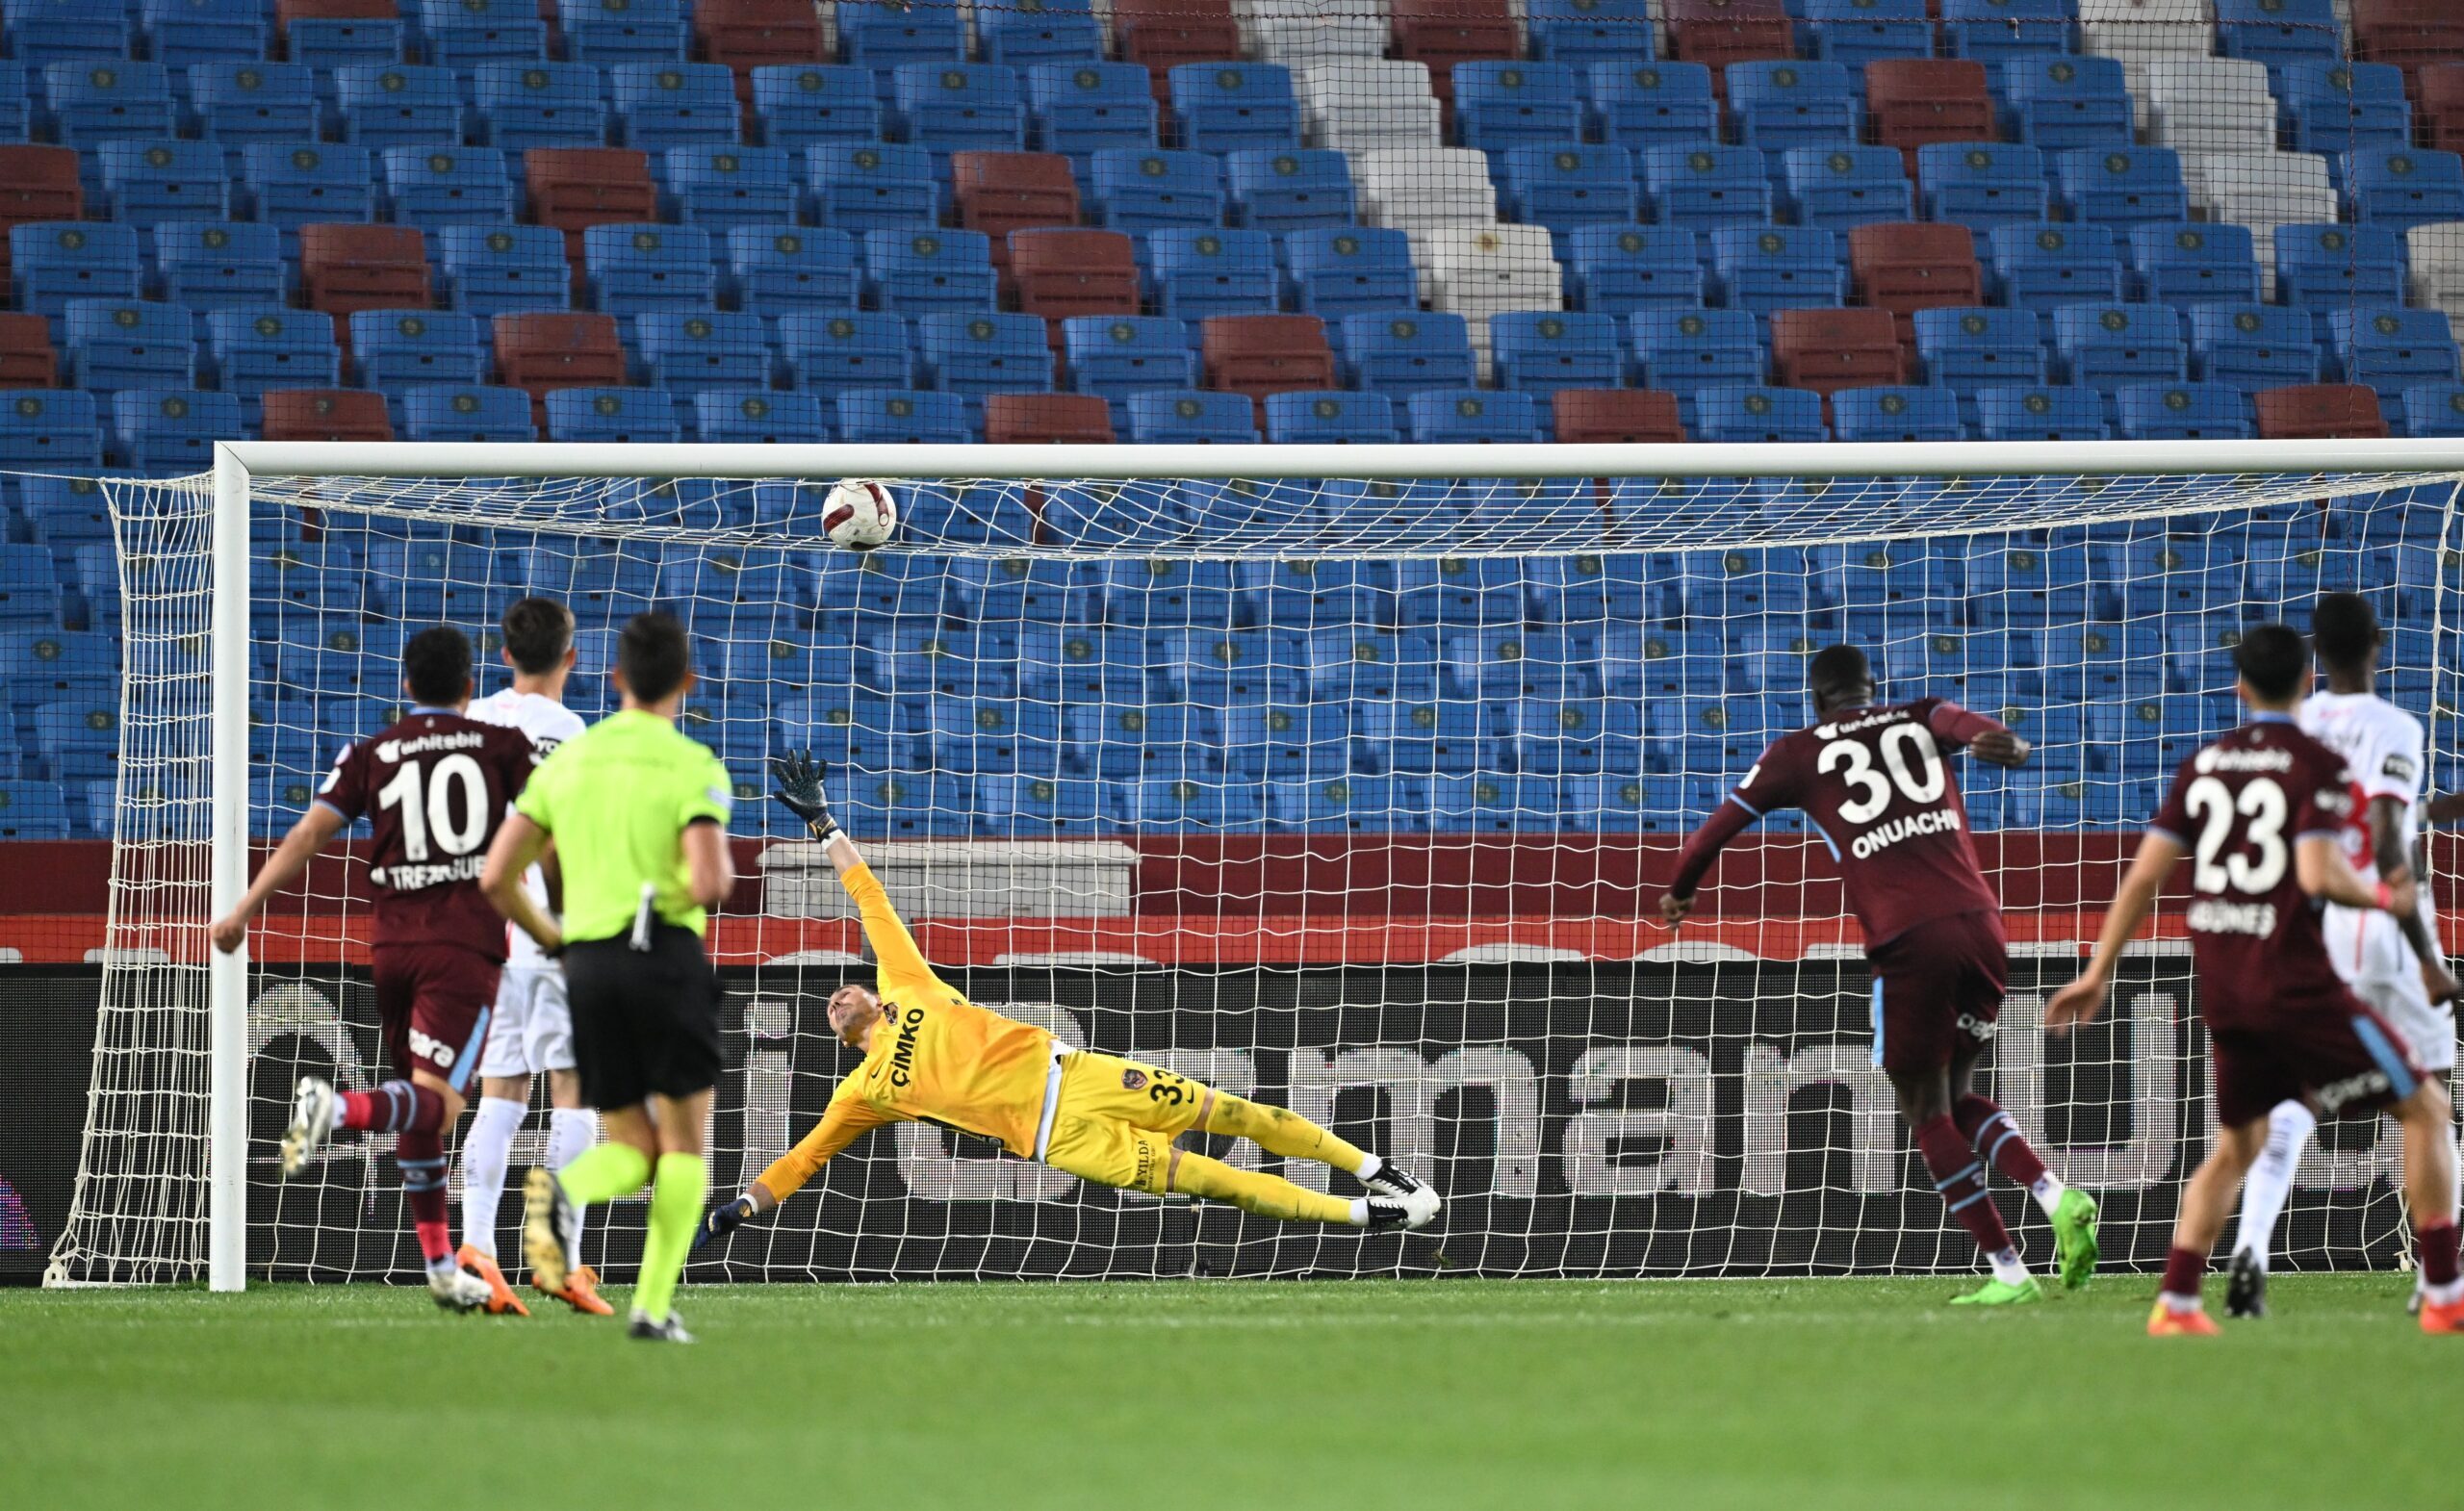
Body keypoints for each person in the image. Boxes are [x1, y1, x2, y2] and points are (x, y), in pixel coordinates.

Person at [694, 753, 1443, 1253]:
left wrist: (822, 824)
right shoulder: (864, 1090)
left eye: (844, 989)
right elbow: (801, 1159)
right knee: (1216, 1182)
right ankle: (1361, 1214)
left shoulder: (907, 984)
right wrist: (744, 1208)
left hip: (1079, 1072)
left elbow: (869, 897)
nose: (838, 997)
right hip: (1066, 1142)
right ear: (842, 1037)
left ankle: (1376, 1169)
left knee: (1240, 1114)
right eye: (830, 1009)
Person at [2045, 623, 2462, 1336]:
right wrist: (2384, 896)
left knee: (2235, 1146)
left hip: (2226, 983)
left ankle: (2177, 1302)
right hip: (2297, 981)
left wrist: (2097, 972)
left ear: (2238, 685)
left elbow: (2146, 876)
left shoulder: (2205, 763)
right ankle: (2447, 1295)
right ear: (2306, 681)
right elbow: (2315, 872)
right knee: (2424, 1109)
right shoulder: (2317, 763)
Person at [1656, 644, 2099, 1305]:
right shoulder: (1920, 715)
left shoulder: (1795, 753)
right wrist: (2001, 743)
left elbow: (1709, 836)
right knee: (1954, 1093)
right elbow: (1970, 728)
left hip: (1909, 940)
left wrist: (1681, 892)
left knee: (1923, 1111)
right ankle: (2055, 1194)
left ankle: (2009, 1271)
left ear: (1817, 699)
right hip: (1983, 925)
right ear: (1872, 688)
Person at [211, 626, 543, 1313]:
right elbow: (551, 824)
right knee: (442, 1103)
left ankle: (442, 1266)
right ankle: (333, 1106)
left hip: (390, 948)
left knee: (421, 1110)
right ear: (471, 689)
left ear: (406, 686)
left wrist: (243, 909)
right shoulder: (502, 746)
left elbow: (308, 833)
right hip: (464, 947)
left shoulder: (373, 752)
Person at [481, 611, 733, 1344]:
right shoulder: (693, 766)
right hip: (663, 957)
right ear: (686, 682)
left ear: (615, 678)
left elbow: (502, 875)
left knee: (629, 1146)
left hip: (586, 965)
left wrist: (558, 938)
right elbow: (713, 880)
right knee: (682, 1150)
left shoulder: (569, 762)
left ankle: (559, 1192)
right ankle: (652, 1309)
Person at [2221, 594, 2459, 1318]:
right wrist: (2423, 951)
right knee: (2430, 1105)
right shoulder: (2394, 726)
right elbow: (2385, 835)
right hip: (2381, 931)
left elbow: (2349, 813)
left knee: (2292, 1098)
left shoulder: (2294, 723)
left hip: (2307, 934)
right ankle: (2439, 1280)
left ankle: (2252, 1246)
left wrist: (2440, 809)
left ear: (2311, 653)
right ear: (2380, 644)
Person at [452, 596, 610, 1318]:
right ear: (571, 658)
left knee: (501, 1095)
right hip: (544, 930)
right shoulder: (571, 734)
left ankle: (477, 1248)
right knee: (573, 1090)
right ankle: (557, 1257)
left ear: (505, 653)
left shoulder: (473, 721)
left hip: (482, 936)